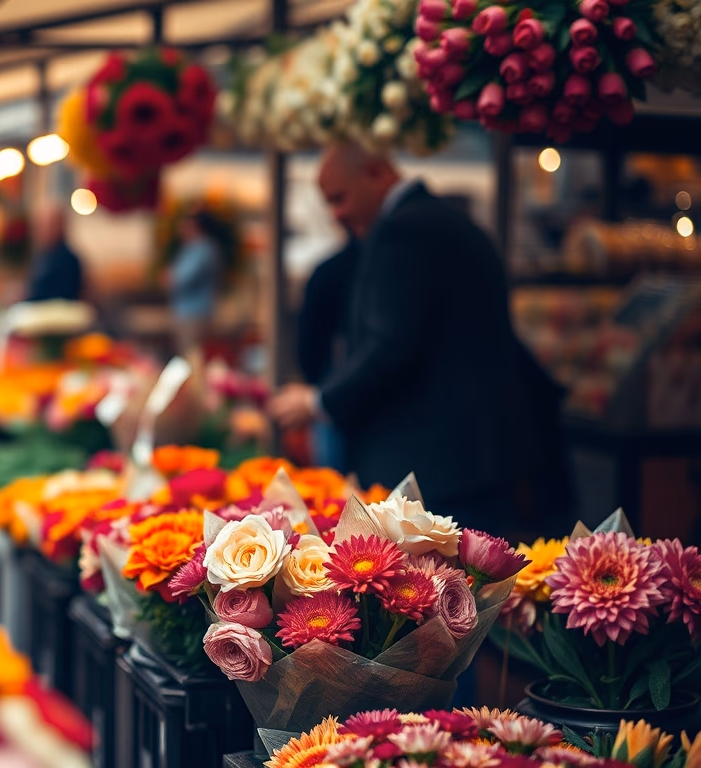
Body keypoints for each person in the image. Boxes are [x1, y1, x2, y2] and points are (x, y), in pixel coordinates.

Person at [268, 144, 539, 530]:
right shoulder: (441, 220)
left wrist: (318, 401)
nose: (336, 215)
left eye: (340, 198)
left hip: (440, 468)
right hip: (472, 460)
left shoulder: (403, 230)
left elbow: (390, 345)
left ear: (377, 174)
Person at [296, 238, 360, 470]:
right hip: (333, 387)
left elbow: (308, 343)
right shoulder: (336, 270)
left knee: (332, 473)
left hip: (332, 385)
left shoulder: (331, 269)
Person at [168, 209, 222, 357]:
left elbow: (182, 278)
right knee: (187, 353)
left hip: (193, 313)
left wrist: (171, 277)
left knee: (191, 354)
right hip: (185, 311)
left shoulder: (203, 249)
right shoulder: (191, 248)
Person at [24, 206, 83, 302]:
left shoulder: (67, 259)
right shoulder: (44, 254)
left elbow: (55, 292)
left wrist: (26, 295)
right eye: (42, 226)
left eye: (50, 225)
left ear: (61, 226)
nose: (45, 231)